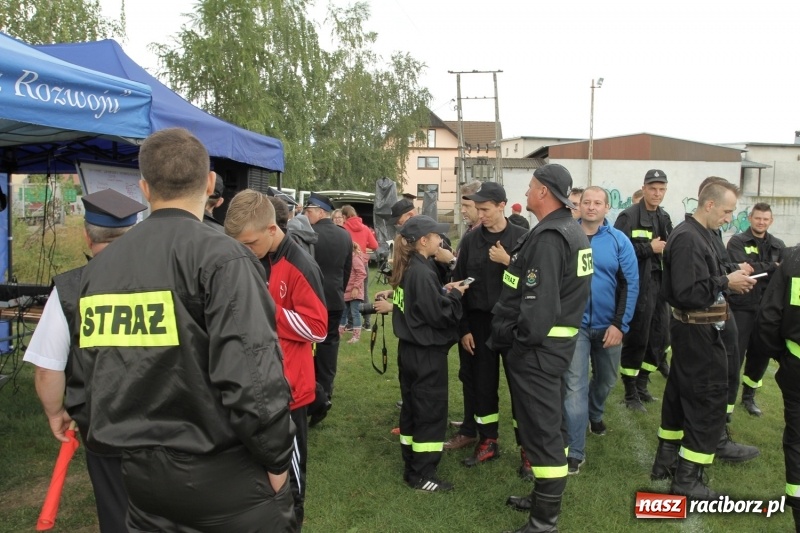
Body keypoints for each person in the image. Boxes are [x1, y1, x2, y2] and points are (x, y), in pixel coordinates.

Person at [68, 128, 296, 532]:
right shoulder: (224, 258)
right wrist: (277, 460)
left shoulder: (99, 269)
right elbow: (254, 379)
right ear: (209, 182)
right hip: (225, 480)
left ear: (143, 188)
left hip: (143, 482)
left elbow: (87, 381)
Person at [24, 188, 147, 532]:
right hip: (167, 421)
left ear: (86, 234)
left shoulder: (70, 288)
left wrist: (55, 413)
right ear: (134, 232)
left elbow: (48, 368)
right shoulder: (164, 277)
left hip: (104, 426)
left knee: (117, 515)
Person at [492, 164, 592, 532]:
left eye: (532, 186)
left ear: (545, 193)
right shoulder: (568, 230)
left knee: (543, 431)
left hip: (538, 349)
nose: (528, 191)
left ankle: (544, 521)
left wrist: (519, 342)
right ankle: (542, 497)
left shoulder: (552, 237)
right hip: (553, 347)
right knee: (550, 427)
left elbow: (539, 306)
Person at [224, 190, 328, 530]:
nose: (244, 251)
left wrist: (267, 311)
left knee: (291, 483)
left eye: (249, 243)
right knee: (256, 473)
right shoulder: (257, 257)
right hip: (255, 386)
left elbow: (318, 328)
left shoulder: (300, 264)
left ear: (272, 229)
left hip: (290, 391)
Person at [649, 181, 756, 499]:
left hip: (697, 331)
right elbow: (685, 292)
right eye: (726, 211)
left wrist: (728, 275)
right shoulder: (688, 238)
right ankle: (687, 480)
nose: (728, 218)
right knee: (706, 402)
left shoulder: (700, 235)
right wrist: (726, 281)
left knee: (679, 398)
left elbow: (704, 277)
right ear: (708, 205)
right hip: (697, 332)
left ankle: (665, 463)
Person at [449, 182, 530, 475]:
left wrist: (508, 262)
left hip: (512, 323)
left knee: (521, 389)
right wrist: (464, 329)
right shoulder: (470, 241)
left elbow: (534, 284)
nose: (480, 214)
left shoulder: (523, 238)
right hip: (479, 325)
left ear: (502, 205)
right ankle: (488, 440)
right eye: (478, 209)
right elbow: (459, 286)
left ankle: (528, 449)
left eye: (485, 209)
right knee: (483, 386)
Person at [382, 215, 468, 492]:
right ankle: (423, 474)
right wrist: (455, 296)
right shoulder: (421, 272)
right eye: (435, 235)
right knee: (430, 413)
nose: (440, 240)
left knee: (413, 409)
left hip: (410, 351)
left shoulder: (411, 267)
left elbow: (420, 304)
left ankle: (411, 463)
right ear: (423, 240)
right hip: (426, 354)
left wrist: (442, 289)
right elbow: (438, 315)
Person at [563, 186, 639, 475]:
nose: (591, 207)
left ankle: (595, 413)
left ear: (607, 208)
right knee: (574, 387)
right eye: (586, 202)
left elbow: (630, 285)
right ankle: (575, 451)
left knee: (606, 380)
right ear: (579, 206)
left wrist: (619, 325)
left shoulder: (619, 242)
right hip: (576, 327)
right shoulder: (568, 237)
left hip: (610, 327)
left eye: (597, 203)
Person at [614, 169, 673, 411]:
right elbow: (617, 253)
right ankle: (630, 393)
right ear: (644, 188)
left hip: (660, 286)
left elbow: (668, 249)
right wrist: (649, 248)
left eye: (661, 189)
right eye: (652, 188)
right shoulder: (628, 216)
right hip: (637, 285)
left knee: (659, 336)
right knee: (637, 337)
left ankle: (643, 385)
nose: (657, 193)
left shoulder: (665, 217)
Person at [754, 244, 800, 531]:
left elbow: (769, 316)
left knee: (797, 439)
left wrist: (779, 354)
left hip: (795, 363)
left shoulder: (793, 260)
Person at [727, 203, 785, 416]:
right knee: (735, 354)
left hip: (767, 310)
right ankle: (728, 398)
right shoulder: (737, 241)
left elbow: (782, 274)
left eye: (765, 219)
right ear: (750, 218)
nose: (761, 222)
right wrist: (771, 267)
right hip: (742, 307)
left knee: (760, 355)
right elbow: (739, 268)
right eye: (758, 218)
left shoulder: (778, 245)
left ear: (771, 221)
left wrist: (756, 267)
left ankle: (749, 397)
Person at [304, 192, 353, 427]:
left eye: (309, 211)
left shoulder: (308, 235)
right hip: (333, 299)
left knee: (307, 345)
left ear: (320, 212)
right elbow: (346, 269)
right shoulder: (344, 236)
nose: (306, 215)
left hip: (310, 299)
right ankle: (326, 390)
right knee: (329, 345)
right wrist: (338, 291)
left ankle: (313, 393)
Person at [342, 204, 379, 329]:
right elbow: (374, 245)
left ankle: (351, 323)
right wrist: (363, 244)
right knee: (364, 293)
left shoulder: (344, 228)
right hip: (362, 263)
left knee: (348, 293)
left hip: (348, 264)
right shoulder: (365, 228)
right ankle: (367, 322)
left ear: (344, 216)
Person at [340, 242, 368, 343]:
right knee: (343, 313)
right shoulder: (346, 258)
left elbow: (361, 273)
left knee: (355, 313)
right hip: (346, 291)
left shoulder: (355, 258)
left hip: (354, 292)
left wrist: (356, 288)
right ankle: (339, 334)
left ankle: (356, 336)